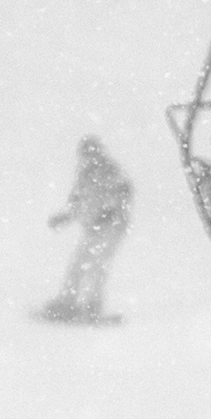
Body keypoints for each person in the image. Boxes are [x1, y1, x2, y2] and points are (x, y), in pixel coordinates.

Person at [48, 133, 138, 325]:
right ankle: (67, 303)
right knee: (79, 263)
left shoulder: (109, 170)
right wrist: (64, 218)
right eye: (85, 154)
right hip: (94, 227)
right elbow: (77, 202)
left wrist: (112, 210)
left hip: (111, 228)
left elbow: (124, 191)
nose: (88, 158)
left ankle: (92, 307)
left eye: (91, 153)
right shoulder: (85, 175)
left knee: (97, 265)